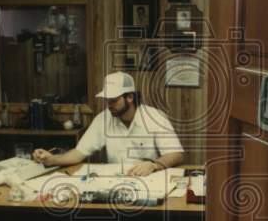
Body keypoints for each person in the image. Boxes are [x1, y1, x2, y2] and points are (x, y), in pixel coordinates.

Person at [32, 72, 184, 176]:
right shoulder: (103, 119)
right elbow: (79, 153)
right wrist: (52, 159)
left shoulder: (154, 117)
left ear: (130, 97)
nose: (109, 104)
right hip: (115, 181)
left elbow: (176, 154)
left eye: (113, 100)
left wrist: (153, 165)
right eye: (107, 100)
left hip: (149, 180)